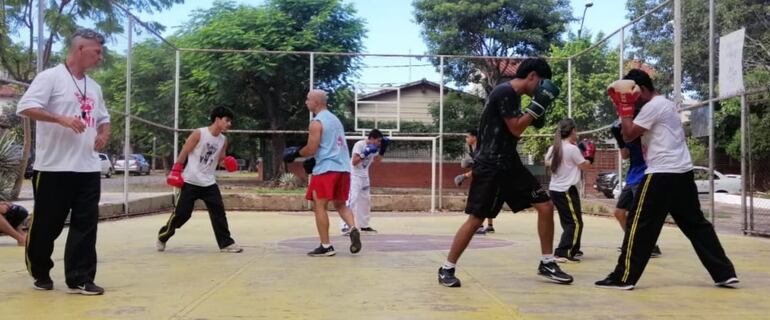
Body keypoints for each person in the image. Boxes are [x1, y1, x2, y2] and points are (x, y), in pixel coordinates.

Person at [596, 69, 738, 290]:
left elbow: (629, 134)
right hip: (682, 173)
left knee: (638, 224)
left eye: (633, 95)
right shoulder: (666, 104)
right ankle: (724, 273)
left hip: (661, 173)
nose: (633, 101)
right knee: (696, 224)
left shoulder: (652, 106)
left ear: (641, 89)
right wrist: (626, 109)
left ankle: (623, 277)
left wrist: (624, 109)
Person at [438, 58, 573, 287]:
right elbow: (516, 127)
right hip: (490, 165)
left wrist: (536, 112)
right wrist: (537, 105)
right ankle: (447, 268)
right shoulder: (504, 92)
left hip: (510, 165)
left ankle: (547, 262)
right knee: (476, 219)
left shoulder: (516, 98)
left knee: (546, 205)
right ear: (532, 76)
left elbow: (514, 132)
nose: (541, 88)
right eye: (541, 83)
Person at [16, 29, 110, 295]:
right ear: (80, 49)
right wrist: (61, 118)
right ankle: (40, 269)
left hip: (88, 167)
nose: (100, 57)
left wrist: (103, 133)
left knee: (85, 224)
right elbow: (24, 107)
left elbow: (104, 118)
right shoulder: (51, 77)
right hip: (54, 167)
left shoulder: (94, 87)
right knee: (48, 224)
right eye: (97, 51)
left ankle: (80, 278)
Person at [284, 89, 361, 257]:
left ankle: (326, 246)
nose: (306, 102)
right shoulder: (335, 120)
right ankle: (353, 228)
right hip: (343, 169)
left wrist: (296, 153)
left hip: (326, 169)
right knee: (340, 204)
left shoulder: (316, 122)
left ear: (316, 102)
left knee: (320, 206)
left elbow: (312, 148)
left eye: (308, 99)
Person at [158, 107, 242, 253]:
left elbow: (220, 159)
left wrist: (227, 163)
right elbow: (185, 150)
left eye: (230, 121)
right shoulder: (199, 133)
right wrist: (176, 170)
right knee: (182, 214)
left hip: (209, 183)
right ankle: (163, 236)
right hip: (190, 181)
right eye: (227, 120)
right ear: (217, 119)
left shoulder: (223, 140)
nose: (229, 124)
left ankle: (226, 243)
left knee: (219, 213)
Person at [610, 118, 662, 258]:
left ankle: (648, 246)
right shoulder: (628, 138)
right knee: (619, 212)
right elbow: (625, 155)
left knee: (640, 215)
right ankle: (635, 241)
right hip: (632, 178)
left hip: (644, 176)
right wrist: (620, 139)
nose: (621, 131)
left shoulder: (642, 134)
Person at [544, 119, 593, 263]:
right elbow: (585, 166)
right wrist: (590, 155)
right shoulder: (572, 149)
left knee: (569, 222)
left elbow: (546, 161)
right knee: (575, 223)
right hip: (566, 190)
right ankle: (563, 252)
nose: (576, 134)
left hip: (556, 189)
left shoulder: (554, 148)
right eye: (575, 131)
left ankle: (573, 248)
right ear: (571, 131)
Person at [340, 129, 388, 235]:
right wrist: (364, 153)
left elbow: (377, 162)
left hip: (365, 176)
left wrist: (382, 150)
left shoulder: (375, 148)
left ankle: (364, 225)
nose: (379, 143)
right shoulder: (359, 144)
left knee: (365, 201)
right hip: (354, 175)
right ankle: (345, 226)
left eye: (380, 141)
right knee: (352, 200)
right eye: (378, 141)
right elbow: (354, 162)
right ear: (372, 138)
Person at [453, 129, 496, 234]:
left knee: (479, 201)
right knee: (486, 201)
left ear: (474, 137)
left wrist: (464, 176)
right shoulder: (474, 149)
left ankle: (479, 226)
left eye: (468, 136)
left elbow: (482, 167)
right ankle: (489, 226)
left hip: (488, 177)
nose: (466, 138)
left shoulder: (481, 149)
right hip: (484, 177)